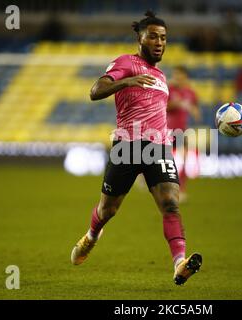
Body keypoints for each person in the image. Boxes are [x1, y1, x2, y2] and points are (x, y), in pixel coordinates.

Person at [70, 11, 202, 286]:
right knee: (109, 210)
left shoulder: (162, 77)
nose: (159, 42)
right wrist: (126, 81)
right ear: (139, 38)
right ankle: (92, 236)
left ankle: (180, 263)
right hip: (127, 147)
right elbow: (95, 91)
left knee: (170, 204)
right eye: (153, 36)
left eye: (163, 38)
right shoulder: (126, 62)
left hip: (158, 147)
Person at [167, 66, 200, 202]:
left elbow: (195, 108)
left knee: (184, 159)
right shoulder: (169, 90)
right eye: (175, 75)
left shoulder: (190, 93)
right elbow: (164, 107)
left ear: (185, 77)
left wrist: (195, 112)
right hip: (166, 130)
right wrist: (178, 104)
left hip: (181, 131)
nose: (177, 78)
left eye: (180, 75)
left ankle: (181, 190)